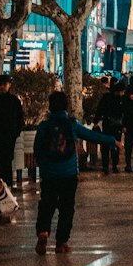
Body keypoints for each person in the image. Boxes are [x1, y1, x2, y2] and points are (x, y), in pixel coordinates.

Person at [33, 91, 118, 254]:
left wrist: (44, 166)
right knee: (67, 207)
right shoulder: (71, 124)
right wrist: (113, 140)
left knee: (47, 204)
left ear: (50, 106)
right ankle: (61, 242)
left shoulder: (44, 126)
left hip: (49, 174)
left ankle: (43, 232)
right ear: (66, 105)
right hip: (68, 173)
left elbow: (37, 150)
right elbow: (92, 136)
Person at [0, 74, 25, 186]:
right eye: (0, 85)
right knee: (1, 163)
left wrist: (15, 133)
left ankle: (5, 187)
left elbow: (19, 120)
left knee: (6, 163)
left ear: (9, 85)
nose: (2, 87)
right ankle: (2, 187)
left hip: (7, 137)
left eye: (4, 84)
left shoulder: (13, 102)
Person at [93, 81, 124, 173]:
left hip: (107, 124)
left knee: (105, 145)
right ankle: (114, 165)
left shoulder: (106, 97)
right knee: (115, 145)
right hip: (117, 125)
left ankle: (105, 166)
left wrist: (96, 121)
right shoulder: (120, 100)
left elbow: (100, 109)